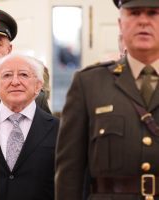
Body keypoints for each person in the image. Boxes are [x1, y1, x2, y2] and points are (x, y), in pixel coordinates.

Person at [55, 0, 159, 200]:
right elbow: (70, 171)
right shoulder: (88, 83)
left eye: (153, 13)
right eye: (135, 13)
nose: (143, 21)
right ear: (120, 24)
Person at [0, 53, 59, 200]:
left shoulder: (58, 130)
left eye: (23, 75)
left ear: (38, 85)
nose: (15, 81)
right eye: (7, 75)